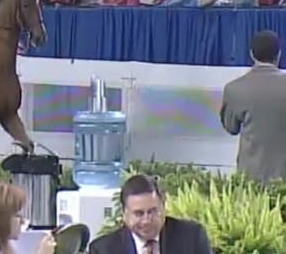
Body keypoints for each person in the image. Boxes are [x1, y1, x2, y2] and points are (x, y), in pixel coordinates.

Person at [220, 30, 286, 184]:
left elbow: (231, 128)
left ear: (251, 54)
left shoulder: (234, 89)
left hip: (250, 177)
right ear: (279, 54)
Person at [89, 174, 211, 254]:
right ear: (124, 214)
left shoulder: (191, 237)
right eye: (139, 213)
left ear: (164, 207)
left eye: (153, 211)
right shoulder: (103, 250)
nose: (147, 220)